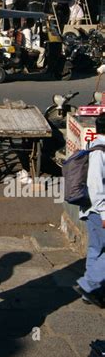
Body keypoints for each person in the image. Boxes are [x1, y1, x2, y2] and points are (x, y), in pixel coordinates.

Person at [74, 113, 105, 308]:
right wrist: (104, 212)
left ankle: (91, 292)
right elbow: (96, 185)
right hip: (98, 210)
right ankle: (89, 284)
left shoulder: (93, 145)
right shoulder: (100, 151)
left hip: (93, 209)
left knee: (96, 248)